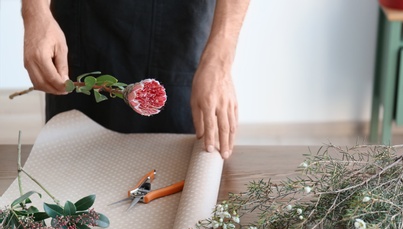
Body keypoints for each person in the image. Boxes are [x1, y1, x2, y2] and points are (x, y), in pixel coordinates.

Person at [21, 0, 250, 160]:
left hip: (179, 29)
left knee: (182, 173)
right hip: (82, 21)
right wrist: (36, 12)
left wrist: (219, 61)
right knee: (68, 167)